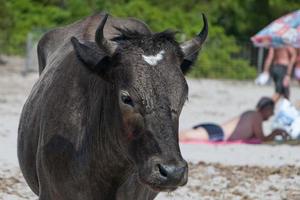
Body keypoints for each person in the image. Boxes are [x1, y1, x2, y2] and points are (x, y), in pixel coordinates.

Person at [179, 97, 288, 142]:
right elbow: (262, 139)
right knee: (181, 137)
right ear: (266, 109)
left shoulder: (250, 113)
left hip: (215, 129)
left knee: (183, 135)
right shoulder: (256, 116)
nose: (272, 114)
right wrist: (275, 133)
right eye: (271, 111)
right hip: (218, 134)